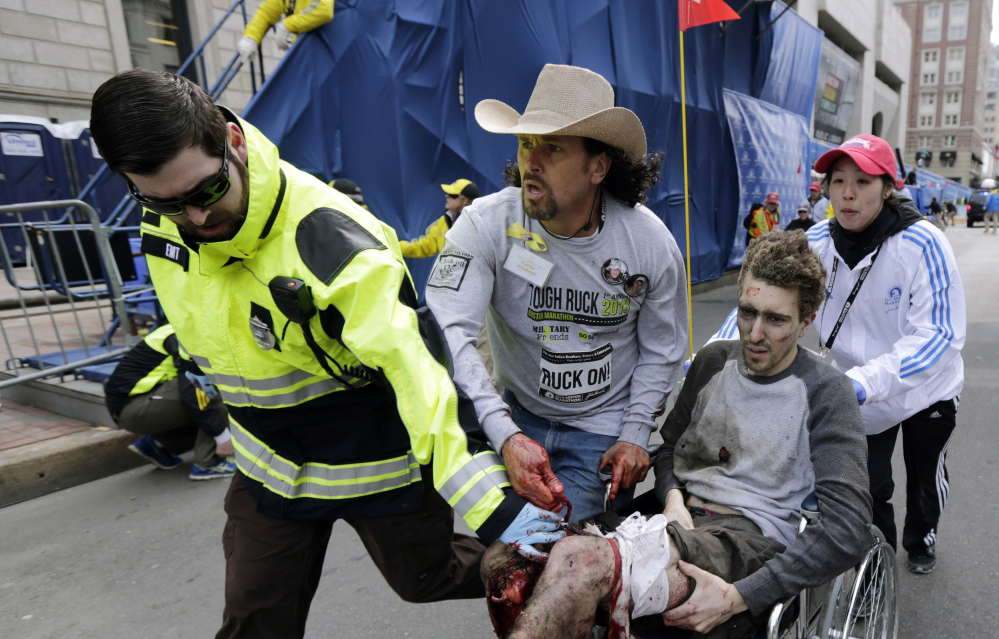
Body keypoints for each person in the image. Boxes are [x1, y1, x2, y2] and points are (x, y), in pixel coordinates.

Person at [89, 69, 563, 638]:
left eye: (206, 193)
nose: (194, 219)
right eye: (164, 203)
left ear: (234, 144)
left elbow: (418, 373)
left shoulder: (330, 239)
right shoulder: (164, 223)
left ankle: (552, 568)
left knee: (425, 578)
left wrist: (496, 510)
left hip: (375, 457)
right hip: (271, 466)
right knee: (254, 619)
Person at [484, 231, 873, 639]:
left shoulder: (826, 392)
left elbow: (847, 527)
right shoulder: (712, 362)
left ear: (806, 321)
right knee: (503, 563)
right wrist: (672, 499)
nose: (754, 334)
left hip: (747, 538)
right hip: (675, 515)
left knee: (580, 564)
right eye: (747, 312)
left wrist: (743, 596)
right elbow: (669, 449)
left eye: (776, 319)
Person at [426, 64, 688, 524]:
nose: (532, 161)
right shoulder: (485, 225)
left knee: (569, 570)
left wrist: (632, 433)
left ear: (598, 167)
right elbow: (448, 332)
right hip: (513, 415)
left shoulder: (650, 244)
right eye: (527, 144)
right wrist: (504, 434)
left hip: (602, 432)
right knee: (510, 566)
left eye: (554, 148)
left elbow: (663, 349)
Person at [716, 134, 965, 575]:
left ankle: (923, 536)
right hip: (857, 391)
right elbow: (760, 295)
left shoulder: (923, 243)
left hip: (926, 386)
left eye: (863, 181)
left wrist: (866, 382)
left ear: (888, 187)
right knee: (866, 488)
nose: (847, 194)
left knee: (925, 477)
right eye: (838, 180)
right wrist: (713, 355)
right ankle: (875, 573)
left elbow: (941, 334)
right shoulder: (813, 241)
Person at [105, 323, 236, 480]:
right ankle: (206, 464)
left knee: (202, 402)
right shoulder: (188, 337)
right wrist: (222, 437)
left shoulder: (184, 325)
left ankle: (160, 446)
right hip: (135, 409)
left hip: (132, 408)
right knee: (215, 390)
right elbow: (193, 394)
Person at [399, 179, 482, 258]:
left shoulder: (479, 223)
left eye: (452, 195)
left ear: (465, 200)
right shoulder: (444, 221)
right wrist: (394, 247)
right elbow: (424, 246)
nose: (447, 196)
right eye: (447, 193)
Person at [236, 0, 333, 64]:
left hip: (328, 52)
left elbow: (323, 9)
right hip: (305, 55)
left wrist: (287, 26)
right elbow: (266, 11)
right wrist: (251, 37)